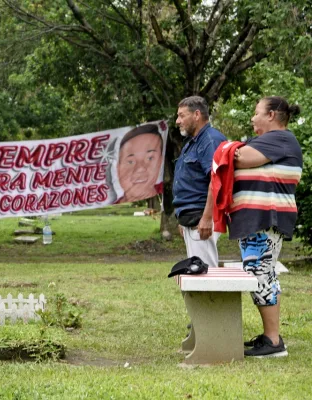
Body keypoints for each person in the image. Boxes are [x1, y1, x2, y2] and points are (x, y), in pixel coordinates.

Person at [230, 96, 302, 358]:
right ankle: (271, 337)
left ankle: (273, 342)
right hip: (259, 220)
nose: (252, 117)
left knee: (260, 275)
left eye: (256, 112)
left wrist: (229, 149)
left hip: (265, 220)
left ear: (271, 115)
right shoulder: (272, 141)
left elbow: (239, 157)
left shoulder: (280, 138)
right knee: (265, 274)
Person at [173, 96, 226, 268]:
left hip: (201, 219)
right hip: (192, 219)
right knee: (198, 275)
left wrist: (207, 218)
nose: (177, 121)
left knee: (206, 276)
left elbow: (216, 180)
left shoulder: (210, 140)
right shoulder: (193, 142)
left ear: (196, 114)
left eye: (181, 115)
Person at [105, 124, 164, 204]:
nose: (140, 168)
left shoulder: (174, 191)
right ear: (118, 168)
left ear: (160, 161)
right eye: (130, 161)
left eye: (150, 158)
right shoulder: (110, 202)